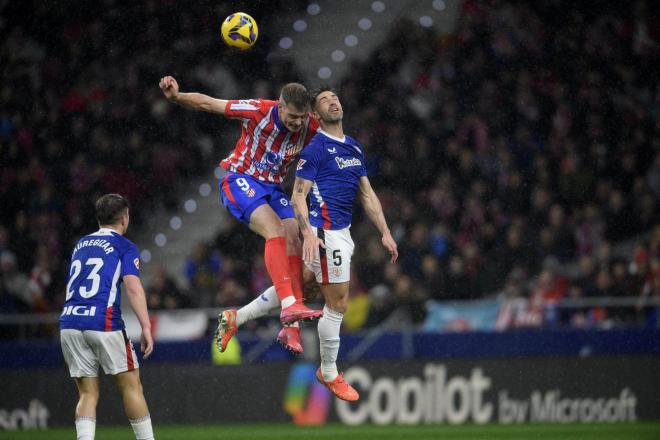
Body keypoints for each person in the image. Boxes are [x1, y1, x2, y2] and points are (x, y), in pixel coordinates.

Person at [158, 77, 322, 353]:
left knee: (294, 235)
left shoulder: (310, 126)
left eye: (301, 117)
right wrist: (177, 97)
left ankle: (289, 327)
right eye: (292, 116)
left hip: (272, 187)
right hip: (240, 179)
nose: (297, 122)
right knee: (277, 231)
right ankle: (290, 306)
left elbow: (333, 141)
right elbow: (209, 103)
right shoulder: (258, 110)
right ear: (280, 107)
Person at [59, 194, 155, 440]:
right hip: (103, 321)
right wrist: (145, 326)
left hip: (70, 322)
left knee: (87, 394)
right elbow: (133, 288)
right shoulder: (124, 246)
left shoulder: (81, 244)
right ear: (125, 218)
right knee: (131, 386)